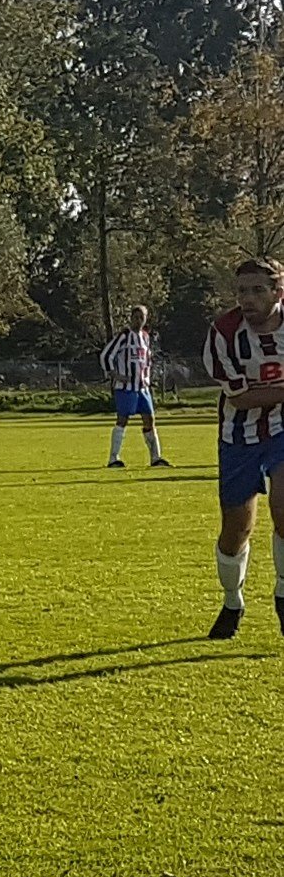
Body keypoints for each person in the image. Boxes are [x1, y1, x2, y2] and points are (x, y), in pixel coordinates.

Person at [203, 258, 284, 639]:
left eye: (257, 290)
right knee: (236, 530)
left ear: (277, 293)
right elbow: (242, 401)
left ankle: (283, 594)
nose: (247, 299)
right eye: (241, 291)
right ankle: (232, 600)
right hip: (239, 436)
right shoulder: (224, 332)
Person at [101, 304, 170, 469]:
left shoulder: (146, 337)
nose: (138, 320)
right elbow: (106, 355)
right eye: (135, 317)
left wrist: (148, 377)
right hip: (126, 388)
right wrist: (114, 375)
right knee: (122, 420)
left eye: (142, 317)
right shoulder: (124, 336)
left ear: (146, 319)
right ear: (131, 318)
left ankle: (156, 458)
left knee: (149, 419)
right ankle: (113, 458)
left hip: (142, 387)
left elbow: (146, 360)